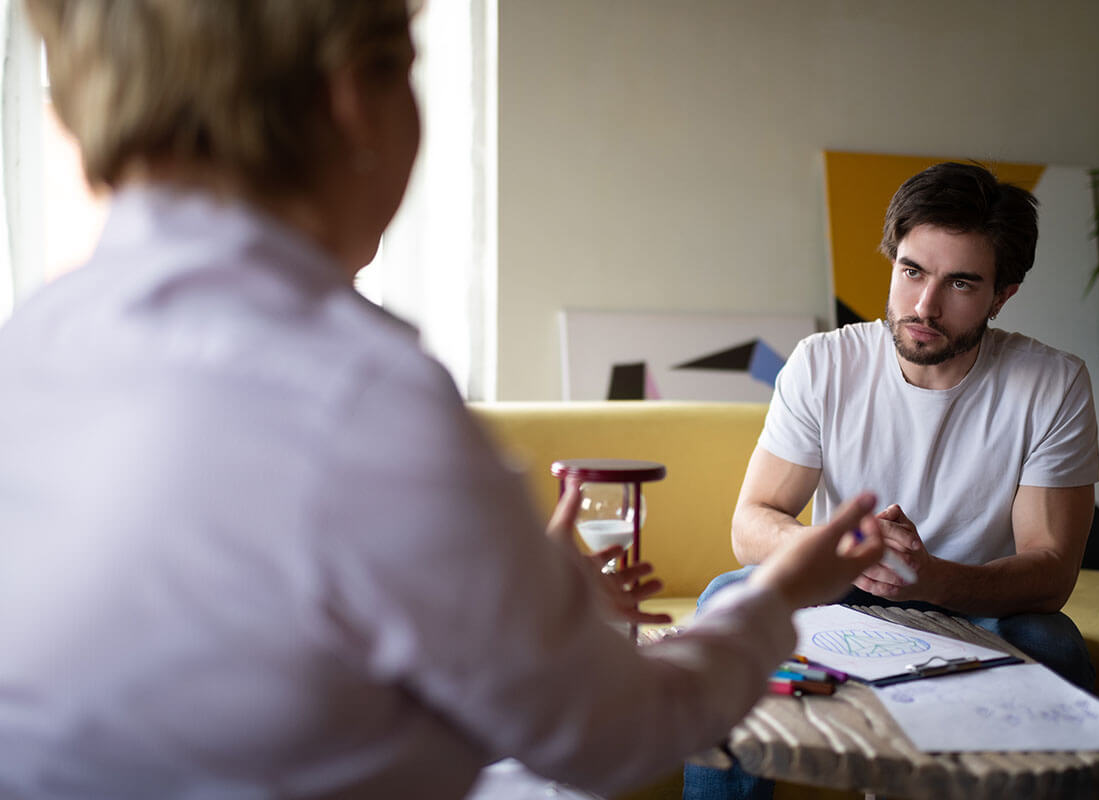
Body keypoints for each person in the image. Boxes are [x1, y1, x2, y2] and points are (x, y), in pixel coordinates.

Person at [0, 2, 886, 798]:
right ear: (356, 98)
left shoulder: (31, 346)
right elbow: (618, 737)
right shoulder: (360, 399)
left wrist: (515, 591)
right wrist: (779, 594)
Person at [684, 161, 1099, 798]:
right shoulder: (823, 363)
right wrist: (841, 550)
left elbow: (1051, 572)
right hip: (839, 590)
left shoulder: (1053, 385)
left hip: (976, 607)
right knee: (725, 602)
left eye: (960, 283)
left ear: (1002, 295)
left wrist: (934, 579)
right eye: (912, 271)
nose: (924, 306)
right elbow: (753, 522)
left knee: (1055, 645)